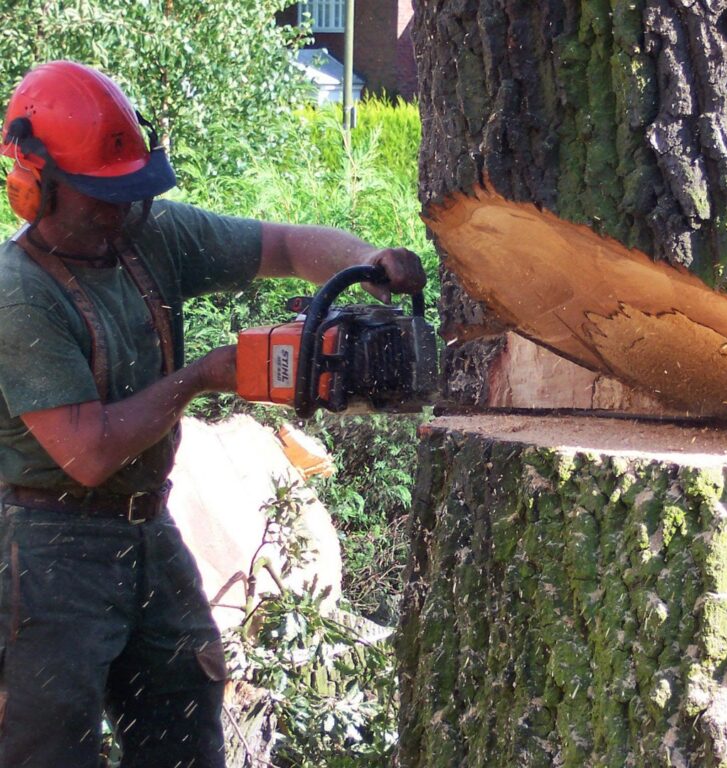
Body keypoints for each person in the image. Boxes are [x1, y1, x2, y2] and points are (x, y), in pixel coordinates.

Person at [0, 60, 425, 767]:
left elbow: (281, 245)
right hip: (48, 544)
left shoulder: (147, 234)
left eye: (129, 192)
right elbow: (88, 450)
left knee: (184, 711)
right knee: (49, 744)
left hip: (145, 526)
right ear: (34, 188)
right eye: (101, 198)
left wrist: (366, 260)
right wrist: (205, 376)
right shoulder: (19, 297)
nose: (120, 211)